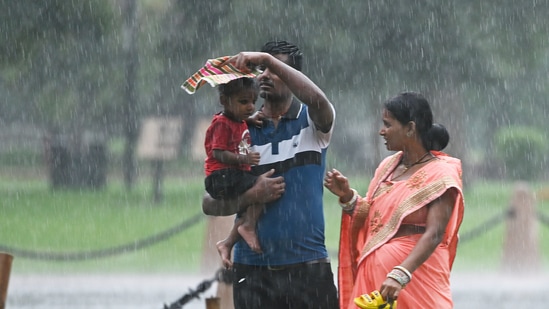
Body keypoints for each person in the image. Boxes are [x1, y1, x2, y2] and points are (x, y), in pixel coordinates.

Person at [202, 40, 339, 309]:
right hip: (252, 272)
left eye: (274, 69)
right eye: (261, 69)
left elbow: (319, 100)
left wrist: (266, 57)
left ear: (293, 77)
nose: (264, 75)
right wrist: (252, 195)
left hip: (308, 268)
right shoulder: (238, 128)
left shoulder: (313, 123)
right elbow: (209, 203)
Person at [324, 92, 464, 309]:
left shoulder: (441, 173)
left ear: (410, 128)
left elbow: (435, 233)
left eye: (388, 125)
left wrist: (401, 274)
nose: (382, 131)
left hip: (415, 280)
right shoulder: (387, 167)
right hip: (373, 280)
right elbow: (374, 218)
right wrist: (348, 197)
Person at [203, 77, 266, 268]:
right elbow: (218, 152)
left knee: (252, 197)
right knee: (262, 186)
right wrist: (243, 159)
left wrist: (250, 119)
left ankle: (228, 242)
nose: (250, 106)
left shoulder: (237, 120)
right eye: (243, 102)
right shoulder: (222, 123)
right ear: (224, 101)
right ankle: (247, 226)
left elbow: (239, 122)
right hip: (221, 177)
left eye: (253, 102)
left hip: (228, 176)